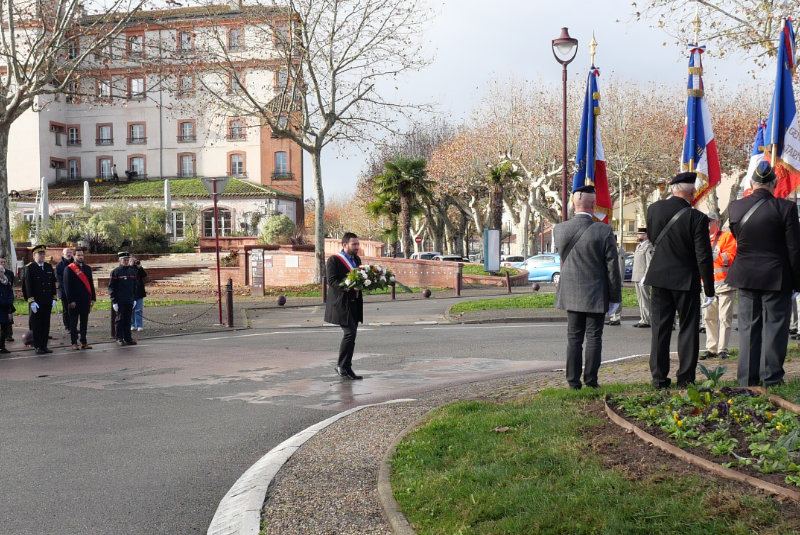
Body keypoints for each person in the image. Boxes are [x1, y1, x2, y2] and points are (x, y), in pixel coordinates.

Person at [727, 161, 800, 387]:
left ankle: (747, 380)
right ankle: (772, 377)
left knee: (748, 329)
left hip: (746, 275)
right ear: (775, 184)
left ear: (751, 183)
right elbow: (794, 248)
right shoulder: (786, 208)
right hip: (776, 276)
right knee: (775, 328)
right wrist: (797, 281)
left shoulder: (735, 207)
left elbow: (737, 237)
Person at [644, 172, 715, 389]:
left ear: (674, 189)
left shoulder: (653, 209)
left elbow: (654, 238)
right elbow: (703, 255)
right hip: (686, 279)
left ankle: (659, 378)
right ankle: (685, 378)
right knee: (688, 330)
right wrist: (709, 289)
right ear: (692, 193)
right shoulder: (697, 218)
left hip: (660, 277)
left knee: (660, 329)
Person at [553, 185, 622, 390]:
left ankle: (572, 381)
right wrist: (615, 297)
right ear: (594, 205)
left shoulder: (560, 229)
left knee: (574, 338)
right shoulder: (604, 230)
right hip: (596, 292)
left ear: (574, 204)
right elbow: (612, 267)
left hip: (571, 291)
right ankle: (591, 380)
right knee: (594, 337)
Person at [324, 232, 364, 380]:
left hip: (355, 303)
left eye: (358, 244)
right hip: (341, 304)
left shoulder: (357, 259)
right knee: (349, 333)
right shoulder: (334, 260)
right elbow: (332, 281)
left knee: (352, 335)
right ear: (344, 245)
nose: (357, 247)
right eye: (354, 244)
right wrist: (348, 287)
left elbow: (360, 277)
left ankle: (347, 367)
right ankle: (341, 366)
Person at [700, 212, 737, 360]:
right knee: (709, 318)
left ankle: (722, 349)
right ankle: (711, 348)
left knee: (724, 318)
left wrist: (716, 256)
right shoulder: (701, 239)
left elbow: (731, 258)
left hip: (725, 284)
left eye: (709, 222)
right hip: (707, 285)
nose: (707, 225)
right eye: (705, 222)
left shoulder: (726, 237)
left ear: (716, 222)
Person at [23, 244, 57, 354]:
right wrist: (31, 301)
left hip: (47, 300)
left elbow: (52, 283)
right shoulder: (30, 267)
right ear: (34, 256)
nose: (42, 256)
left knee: (45, 324)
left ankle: (44, 345)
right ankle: (37, 346)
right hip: (36, 302)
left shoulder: (48, 267)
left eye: (43, 254)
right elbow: (27, 286)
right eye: (40, 254)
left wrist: (54, 298)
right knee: (36, 324)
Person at [62, 248, 96, 350]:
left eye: (82, 255)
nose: (81, 257)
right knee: (73, 323)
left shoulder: (87, 268)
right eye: (78, 255)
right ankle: (74, 342)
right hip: (74, 301)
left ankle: (84, 342)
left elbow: (91, 284)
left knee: (84, 322)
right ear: (74, 256)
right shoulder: (69, 269)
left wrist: (93, 298)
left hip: (85, 299)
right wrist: (70, 300)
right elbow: (67, 287)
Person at [108, 251, 138, 346]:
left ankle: (128, 338)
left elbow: (134, 286)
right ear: (119, 260)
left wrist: (134, 299)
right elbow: (111, 287)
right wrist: (114, 301)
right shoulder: (115, 272)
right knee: (120, 320)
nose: (126, 261)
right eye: (124, 260)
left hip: (129, 300)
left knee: (128, 320)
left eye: (127, 259)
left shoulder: (132, 271)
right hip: (120, 300)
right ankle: (119, 338)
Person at [631, 227, 654, 328]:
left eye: (640, 234)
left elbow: (649, 264)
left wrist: (646, 277)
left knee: (645, 299)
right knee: (640, 299)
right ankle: (643, 318)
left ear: (646, 235)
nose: (638, 235)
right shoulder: (639, 247)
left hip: (643, 277)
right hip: (636, 277)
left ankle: (646, 320)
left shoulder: (648, 247)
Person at [605, 244, 626, 326]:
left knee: (617, 297)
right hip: (610, 277)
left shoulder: (618, 250)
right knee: (612, 297)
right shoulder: (610, 249)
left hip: (617, 278)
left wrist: (620, 280)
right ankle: (613, 316)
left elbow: (621, 266)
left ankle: (617, 317)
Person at [55, 246, 74, 331]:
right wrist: (66, 287)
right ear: (63, 254)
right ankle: (67, 326)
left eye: (70, 252)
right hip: (64, 290)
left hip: (74, 291)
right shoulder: (59, 265)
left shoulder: (75, 263)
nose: (69, 254)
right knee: (66, 309)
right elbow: (58, 278)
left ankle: (73, 325)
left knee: (74, 309)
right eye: (67, 252)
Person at [0, 255, 16, 343]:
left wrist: (9, 300)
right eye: (1, 262)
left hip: (7, 301)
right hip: (1, 302)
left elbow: (10, 287)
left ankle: (9, 335)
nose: (3, 263)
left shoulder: (9, 273)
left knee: (9, 318)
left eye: (4, 262)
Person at [130, 256, 147, 331]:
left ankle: (139, 325)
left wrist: (139, 267)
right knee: (131, 309)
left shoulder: (138, 268)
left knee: (138, 309)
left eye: (135, 260)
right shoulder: (127, 269)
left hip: (139, 291)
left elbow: (144, 275)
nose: (134, 262)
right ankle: (132, 324)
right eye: (132, 260)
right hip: (130, 292)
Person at [0, 264, 14, 354]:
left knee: (4, 328)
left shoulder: (6, 282)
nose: (0, 273)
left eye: (1, 271)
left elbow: (10, 293)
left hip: (5, 309)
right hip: (1, 307)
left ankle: (2, 346)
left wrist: (10, 301)